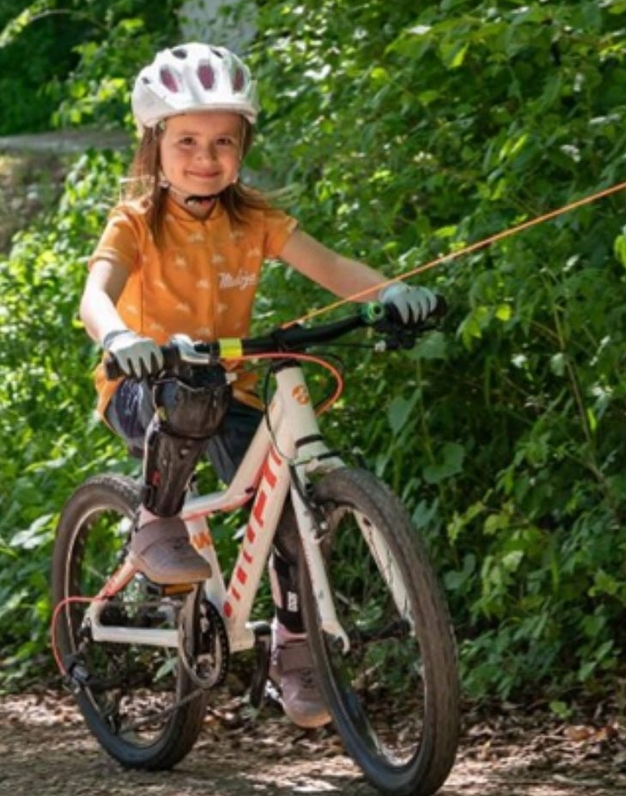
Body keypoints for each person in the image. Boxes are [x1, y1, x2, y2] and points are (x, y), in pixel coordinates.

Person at [78, 42, 440, 728]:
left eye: (224, 141)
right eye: (186, 141)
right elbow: (96, 295)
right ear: (155, 144)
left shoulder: (254, 221)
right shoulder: (136, 223)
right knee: (189, 396)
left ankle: (294, 649)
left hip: (228, 385)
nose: (205, 157)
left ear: (242, 145)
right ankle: (155, 522)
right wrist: (121, 338)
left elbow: (331, 267)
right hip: (142, 387)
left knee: (293, 502)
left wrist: (392, 293)